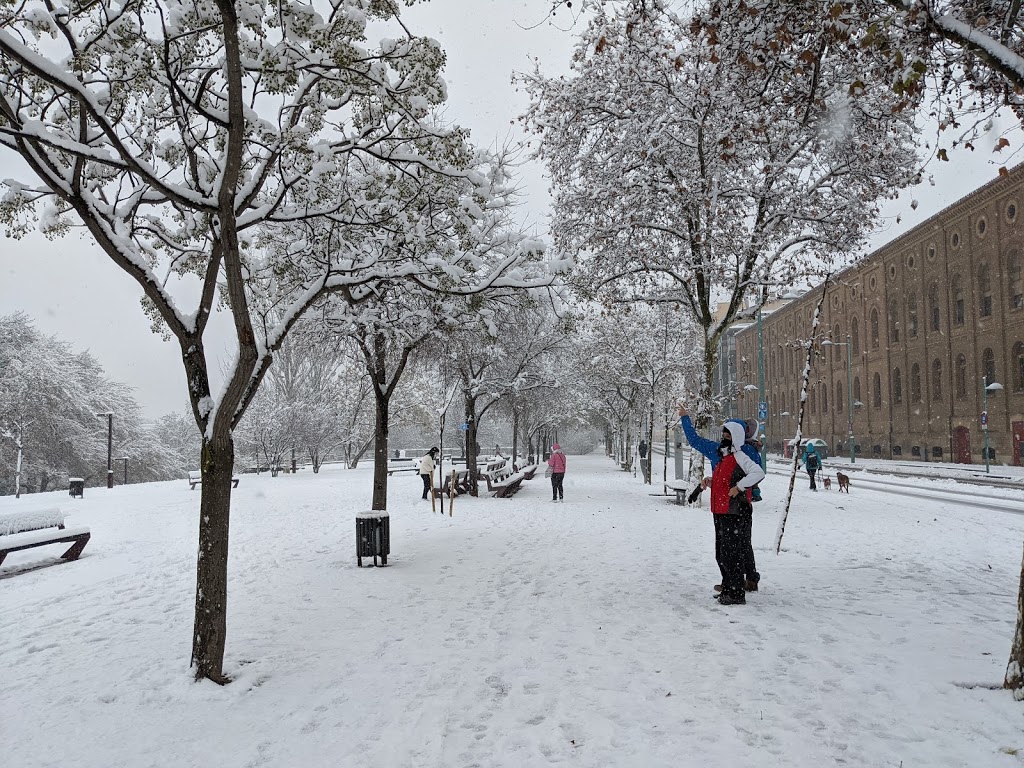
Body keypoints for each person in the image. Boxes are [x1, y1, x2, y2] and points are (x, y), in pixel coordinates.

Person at [679, 405, 765, 597]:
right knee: (737, 545)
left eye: (728, 434)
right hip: (734, 504)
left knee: (732, 547)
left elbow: (755, 474)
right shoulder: (740, 452)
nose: (725, 438)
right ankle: (743, 581)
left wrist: (738, 487)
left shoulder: (737, 454)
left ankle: (734, 585)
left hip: (734, 505)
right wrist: (713, 481)